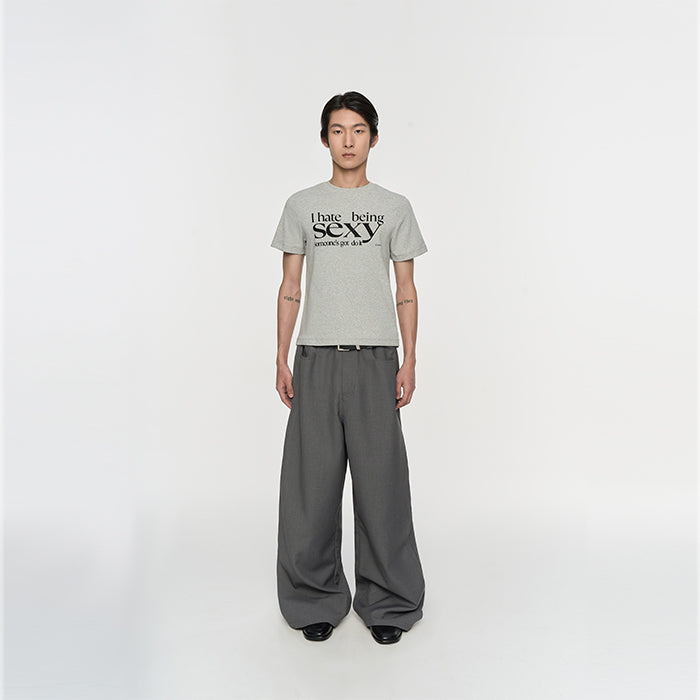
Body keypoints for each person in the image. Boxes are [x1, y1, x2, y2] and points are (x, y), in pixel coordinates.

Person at [271, 91, 427, 645]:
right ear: (324, 139)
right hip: (315, 358)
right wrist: (282, 355)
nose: (348, 141)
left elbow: (405, 289)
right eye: (337, 130)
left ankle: (389, 602)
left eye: (358, 130)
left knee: (382, 487)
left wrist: (409, 358)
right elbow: (290, 286)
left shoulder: (395, 207)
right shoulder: (301, 205)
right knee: (310, 489)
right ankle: (313, 598)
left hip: (376, 359)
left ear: (374, 138)